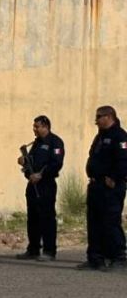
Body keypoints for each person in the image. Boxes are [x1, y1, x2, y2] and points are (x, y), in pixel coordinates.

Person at [77, 106, 127, 271]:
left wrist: (114, 178)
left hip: (111, 187)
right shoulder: (100, 136)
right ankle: (95, 258)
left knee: (111, 222)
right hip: (96, 186)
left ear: (109, 116)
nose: (96, 120)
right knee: (94, 222)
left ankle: (119, 258)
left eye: (99, 117)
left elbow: (123, 161)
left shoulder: (119, 136)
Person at [15, 115, 65, 262]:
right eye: (34, 126)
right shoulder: (36, 143)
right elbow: (30, 162)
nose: (34, 129)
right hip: (32, 184)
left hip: (46, 184)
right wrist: (24, 162)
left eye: (37, 126)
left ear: (45, 126)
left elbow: (56, 163)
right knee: (33, 218)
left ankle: (49, 251)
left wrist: (41, 175)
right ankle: (33, 249)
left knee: (47, 218)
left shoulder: (55, 142)